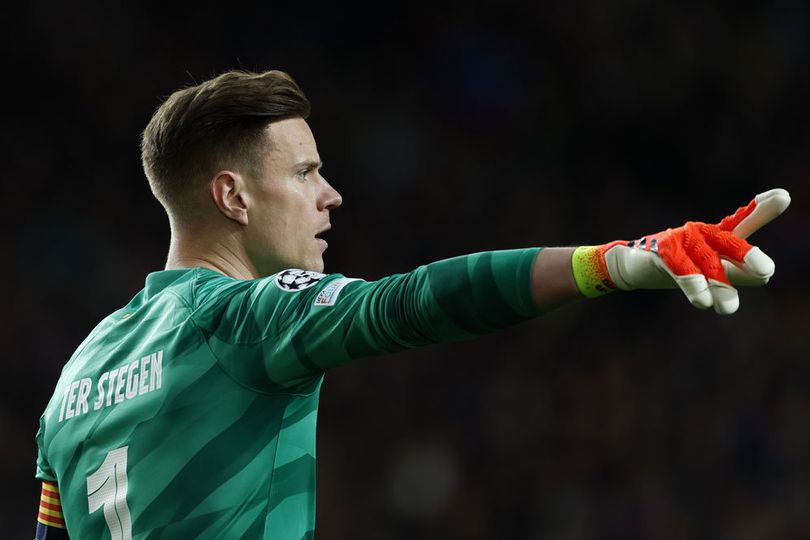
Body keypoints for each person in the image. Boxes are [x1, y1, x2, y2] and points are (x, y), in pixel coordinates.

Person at [33, 69, 790, 539]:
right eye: (304, 173)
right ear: (232, 196)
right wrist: (613, 263)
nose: (331, 195)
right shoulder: (243, 318)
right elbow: (408, 303)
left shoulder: (75, 377)